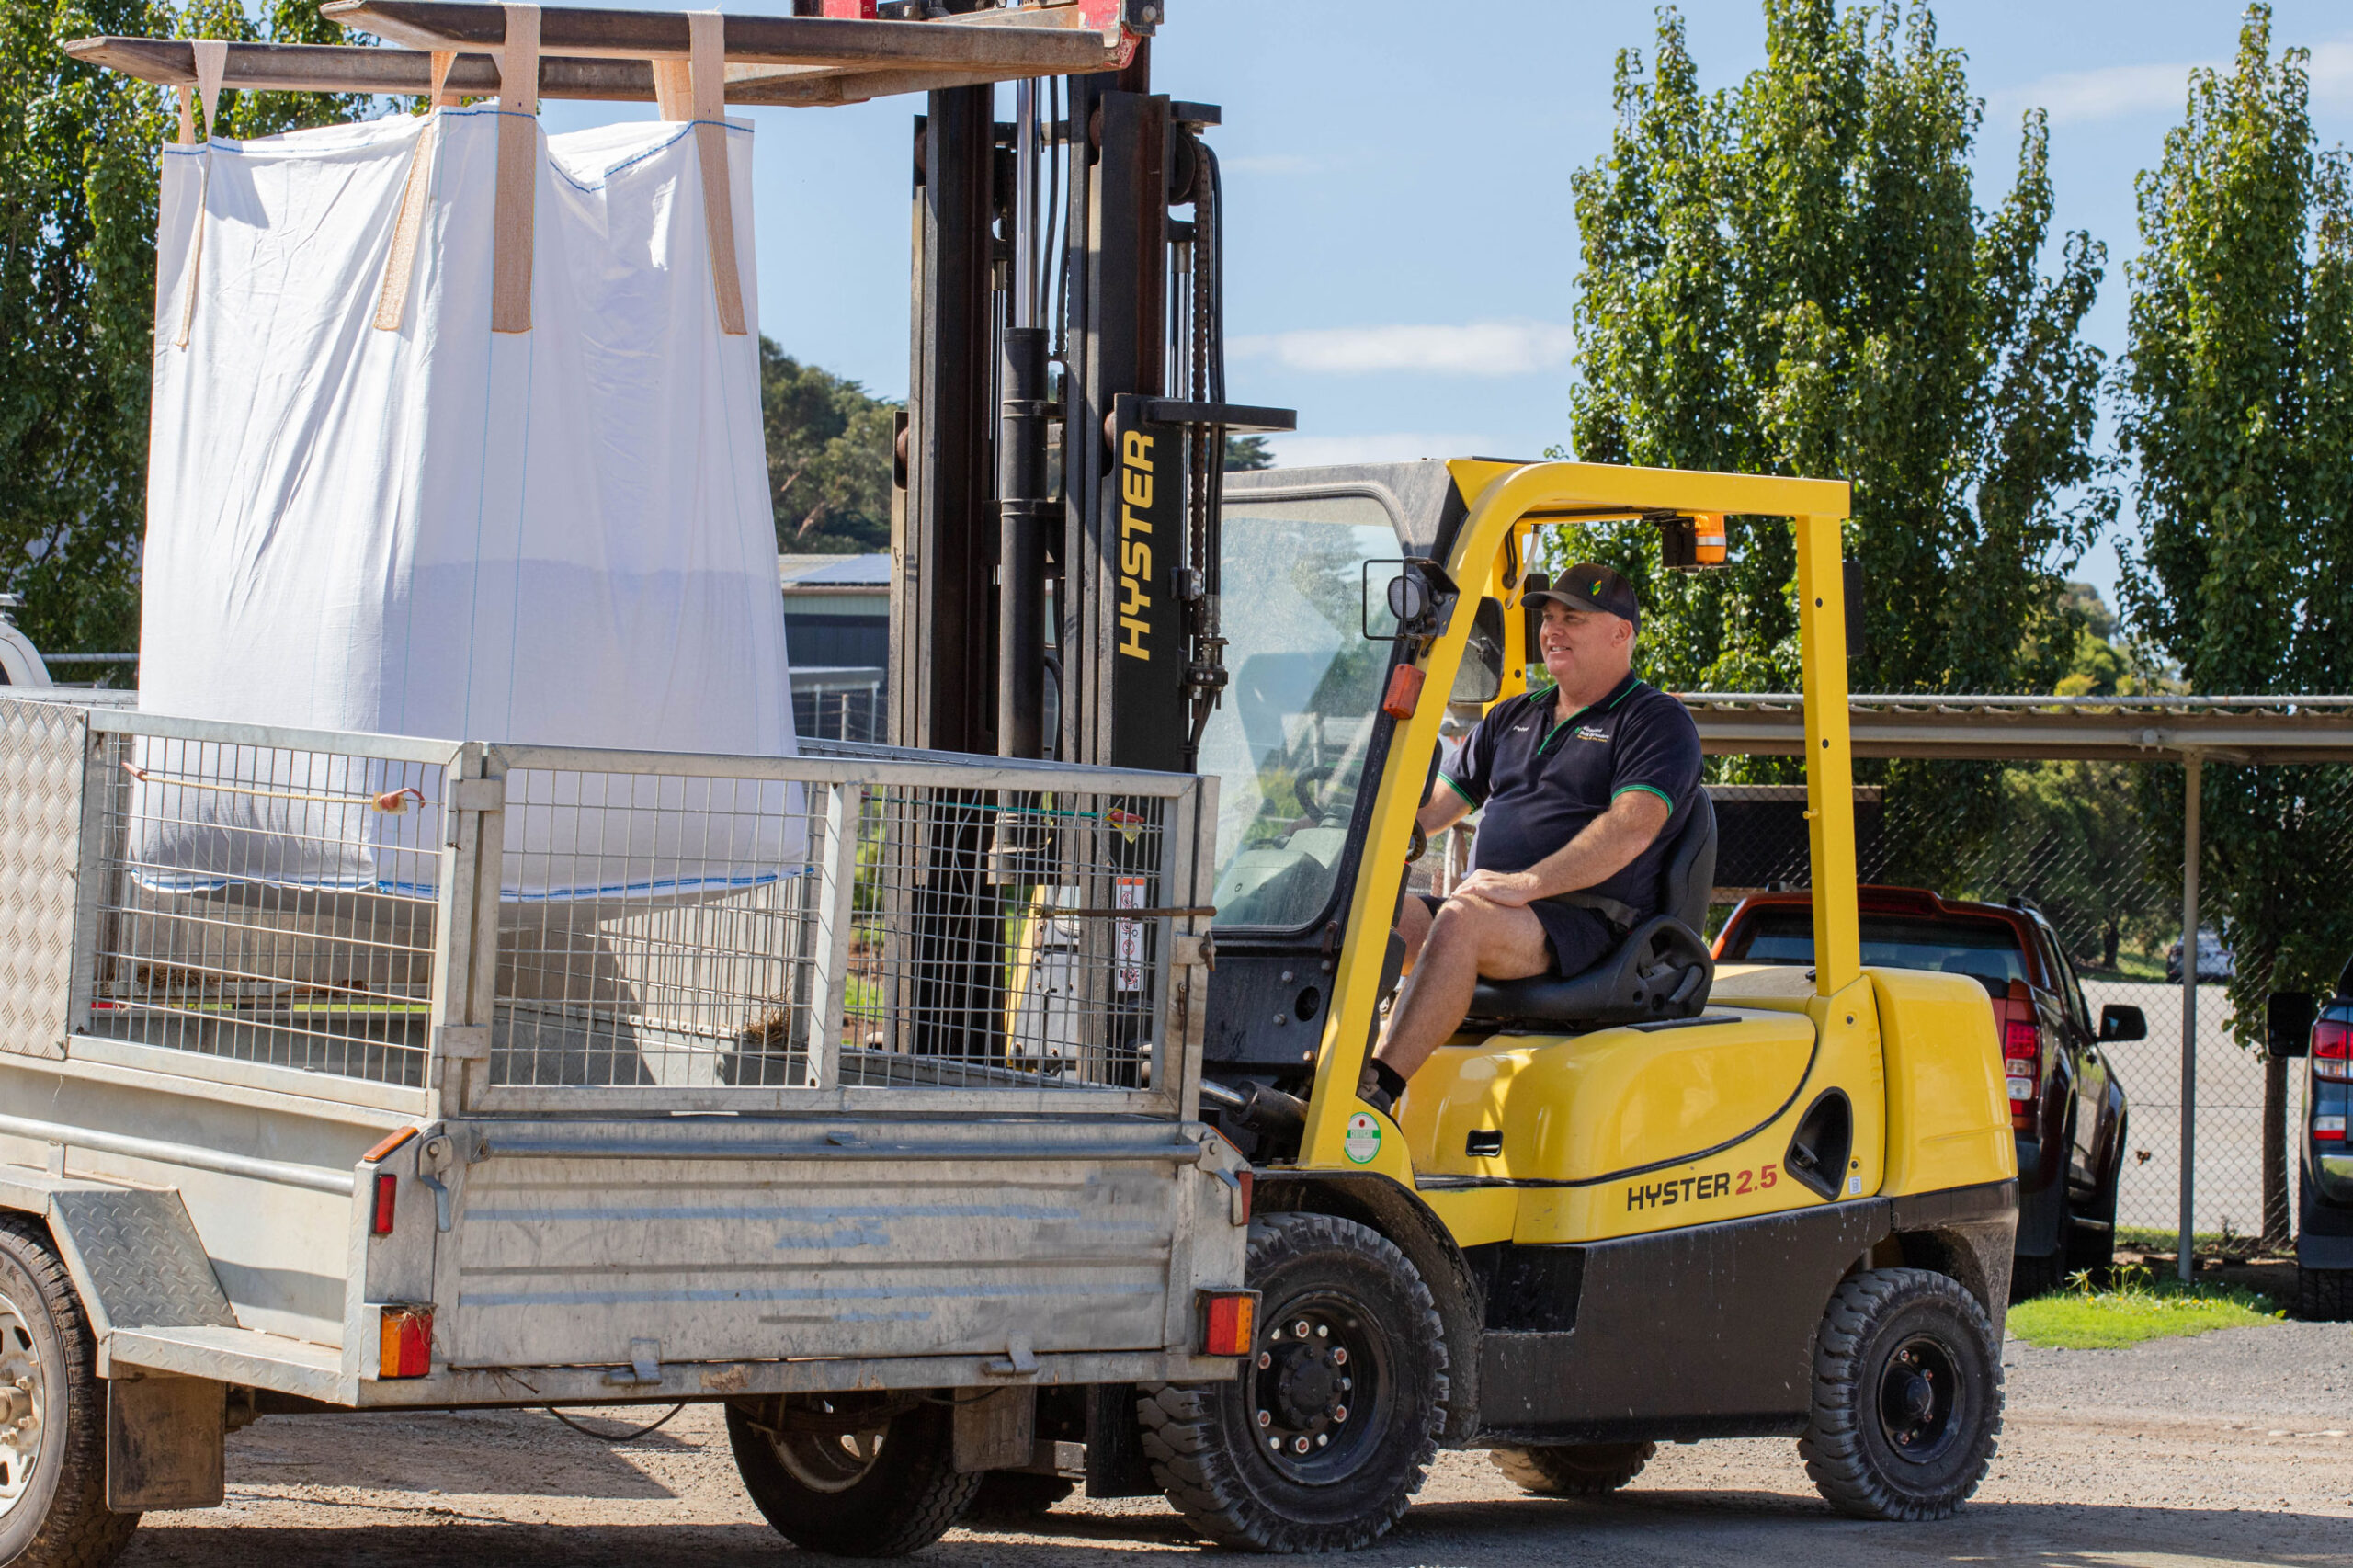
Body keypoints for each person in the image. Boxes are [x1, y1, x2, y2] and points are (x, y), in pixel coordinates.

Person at [1358, 562, 1703, 1117]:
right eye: (1547, 618)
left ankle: (1372, 1097)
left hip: (1588, 923)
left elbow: (1630, 829)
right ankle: (1309, 1074)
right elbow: (1432, 812)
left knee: (1460, 919)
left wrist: (1526, 884)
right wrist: (1346, 837)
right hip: (1500, 906)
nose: (1552, 631)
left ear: (1622, 634)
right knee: (1373, 914)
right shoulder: (1513, 716)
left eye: (1573, 618)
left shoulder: (1655, 721)